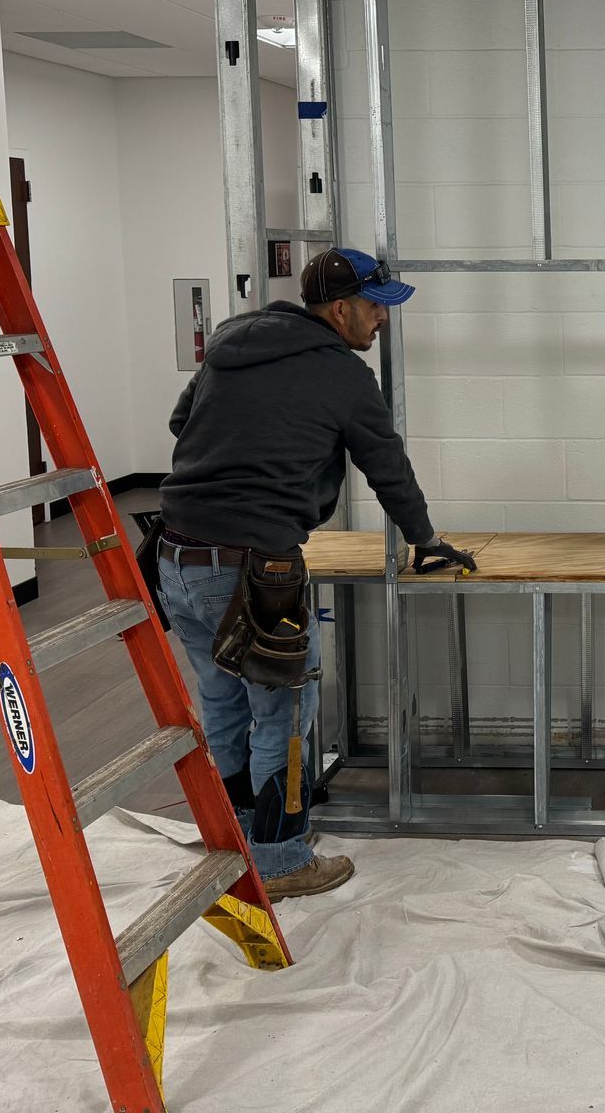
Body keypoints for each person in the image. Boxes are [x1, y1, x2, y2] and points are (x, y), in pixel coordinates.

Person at [152, 247, 476, 899]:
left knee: (222, 704)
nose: (381, 322)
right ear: (341, 309)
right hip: (254, 567)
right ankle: (281, 860)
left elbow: (181, 421)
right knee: (284, 713)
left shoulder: (230, 341)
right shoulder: (343, 376)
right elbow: (386, 466)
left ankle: (238, 840)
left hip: (174, 554)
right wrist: (425, 539)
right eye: (376, 308)